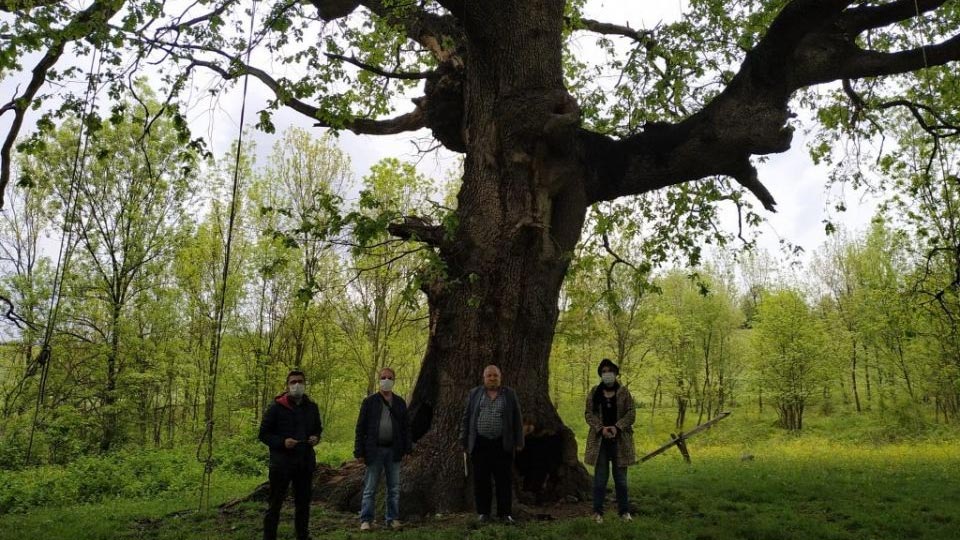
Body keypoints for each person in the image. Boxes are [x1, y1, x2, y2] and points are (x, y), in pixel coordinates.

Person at [258, 370, 323, 540]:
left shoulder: (312, 407)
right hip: (281, 464)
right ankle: (269, 536)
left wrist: (315, 438)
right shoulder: (276, 408)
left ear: (304, 384)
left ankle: (302, 535)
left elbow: (318, 428)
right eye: (293, 382)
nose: (297, 385)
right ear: (287, 385)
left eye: (300, 381)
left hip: (304, 462)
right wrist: (282, 442)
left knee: (303, 503)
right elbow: (263, 434)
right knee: (275, 504)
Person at [459, 364, 524, 524]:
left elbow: (517, 418)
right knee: (481, 480)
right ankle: (483, 513)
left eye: (495, 375)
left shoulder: (509, 394)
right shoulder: (475, 394)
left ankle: (505, 514)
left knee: (504, 480)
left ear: (500, 377)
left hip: (502, 444)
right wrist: (463, 439)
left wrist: (519, 441)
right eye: (489, 376)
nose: (492, 378)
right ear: (484, 378)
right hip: (480, 444)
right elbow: (466, 418)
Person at [354, 367, 413, 531]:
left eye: (389, 378)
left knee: (393, 488)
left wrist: (408, 449)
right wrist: (359, 451)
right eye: (383, 377)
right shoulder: (369, 402)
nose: (386, 380)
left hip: (394, 451)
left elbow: (406, 428)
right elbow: (360, 428)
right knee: (370, 488)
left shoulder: (400, 403)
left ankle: (392, 519)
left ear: (394, 381)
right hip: (374, 450)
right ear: (379, 380)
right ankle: (366, 520)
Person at [584, 358, 636, 523]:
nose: (607, 374)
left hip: (620, 441)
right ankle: (597, 512)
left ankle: (624, 512)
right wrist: (601, 428)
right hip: (600, 442)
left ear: (615, 373)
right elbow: (588, 414)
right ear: (601, 374)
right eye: (604, 371)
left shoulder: (624, 392)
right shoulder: (594, 392)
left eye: (610, 371)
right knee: (600, 478)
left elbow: (631, 413)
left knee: (620, 479)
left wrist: (617, 427)